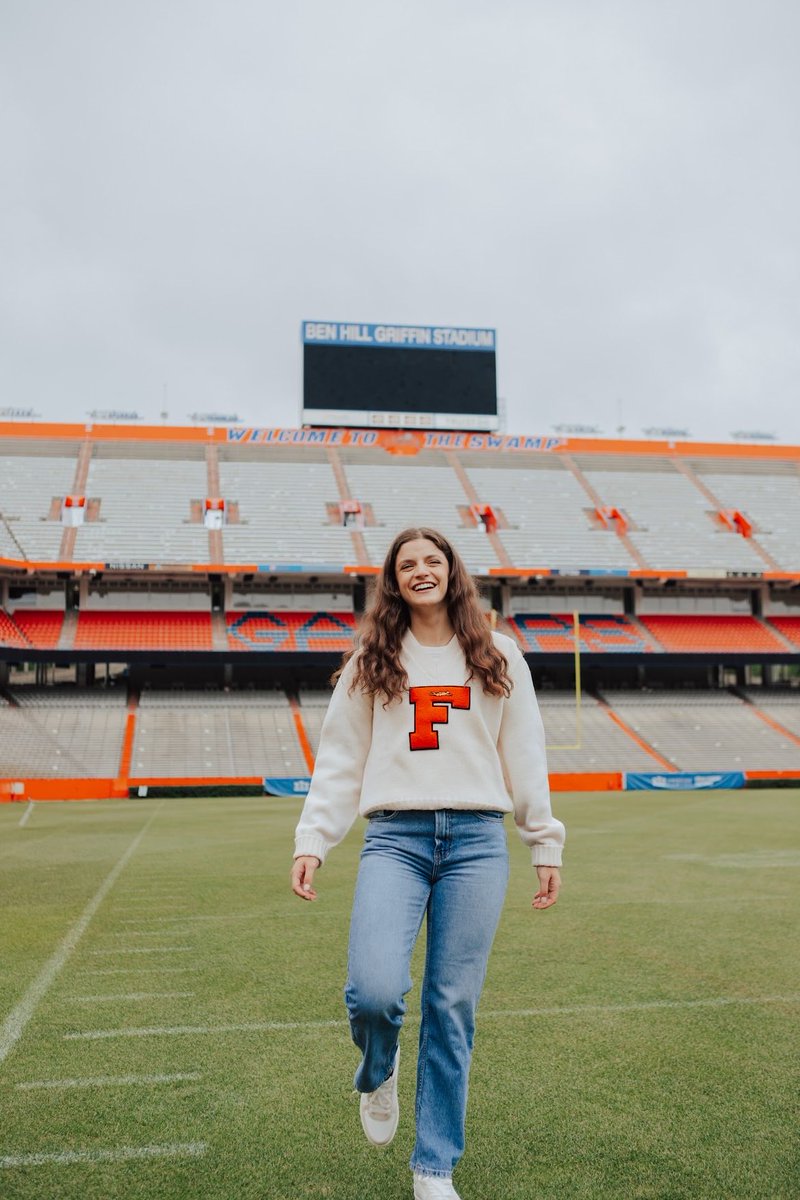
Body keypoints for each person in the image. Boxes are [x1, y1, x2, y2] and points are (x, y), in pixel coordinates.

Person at [291, 527, 564, 1200]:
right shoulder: (372, 659)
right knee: (375, 990)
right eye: (407, 563)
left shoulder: (498, 653)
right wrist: (313, 839)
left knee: (452, 1006)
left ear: (451, 571)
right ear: (393, 580)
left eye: (432, 560)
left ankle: (433, 1167)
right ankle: (379, 1068)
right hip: (396, 837)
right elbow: (340, 758)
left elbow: (524, 751)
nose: (421, 570)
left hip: (477, 840)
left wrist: (543, 838)